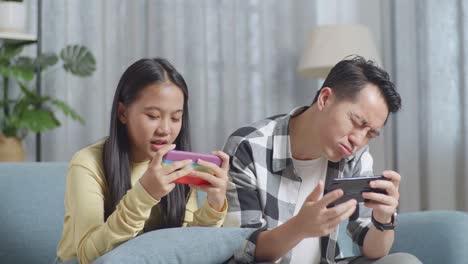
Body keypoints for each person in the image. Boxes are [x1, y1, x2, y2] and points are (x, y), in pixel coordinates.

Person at [223, 56, 421, 263]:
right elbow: (242, 250)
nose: (358, 140)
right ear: (325, 99)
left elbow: (373, 251)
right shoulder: (249, 147)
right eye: (355, 122)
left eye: (370, 134)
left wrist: (384, 219)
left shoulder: (355, 156)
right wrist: (299, 227)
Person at [55, 58, 229, 264]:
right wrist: (145, 194)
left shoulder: (177, 165)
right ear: (123, 113)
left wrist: (213, 206)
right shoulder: (87, 163)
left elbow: (185, 248)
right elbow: (89, 256)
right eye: (153, 116)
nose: (165, 129)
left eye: (175, 118)